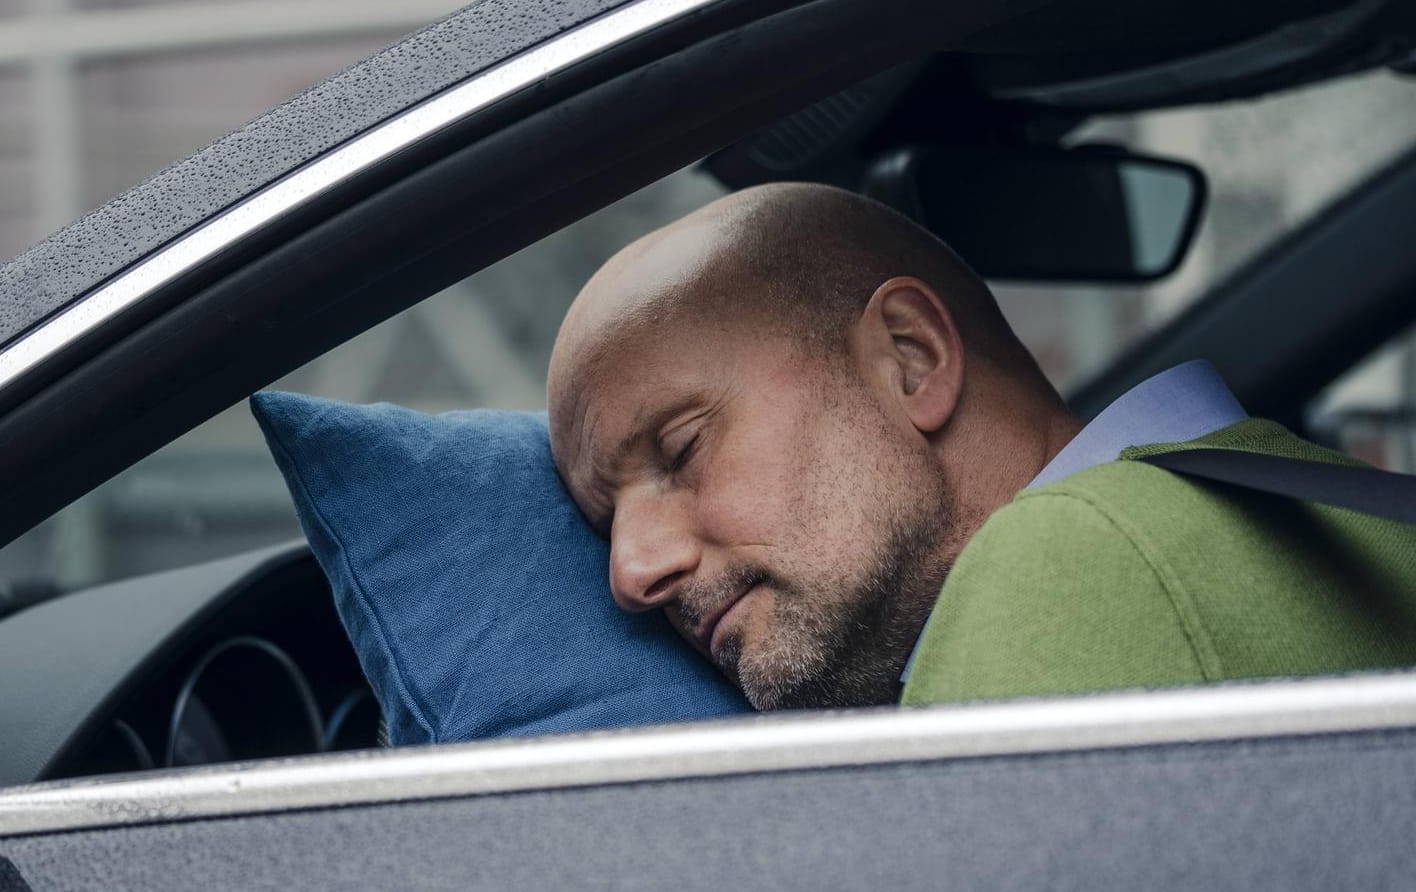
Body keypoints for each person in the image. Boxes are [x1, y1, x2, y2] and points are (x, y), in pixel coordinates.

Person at [546, 182, 1416, 709]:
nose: (630, 573)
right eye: (604, 523)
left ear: (912, 359)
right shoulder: (1306, 512)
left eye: (683, 449)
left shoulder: (1067, 564)